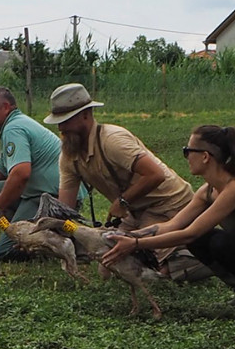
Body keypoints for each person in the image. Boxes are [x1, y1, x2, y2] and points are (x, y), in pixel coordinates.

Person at [103, 125, 235, 323]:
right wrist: (129, 236)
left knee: (221, 242)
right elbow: (173, 225)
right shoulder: (208, 191)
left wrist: (136, 245)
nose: (186, 156)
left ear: (205, 156)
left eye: (187, 151)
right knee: (205, 240)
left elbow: (190, 233)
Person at [43, 82, 207, 281]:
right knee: (109, 267)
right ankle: (177, 245)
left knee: (156, 272)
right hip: (134, 212)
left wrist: (122, 202)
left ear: (85, 115)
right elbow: (65, 207)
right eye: (58, 122)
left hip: (167, 203)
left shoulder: (113, 140)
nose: (61, 128)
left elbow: (155, 175)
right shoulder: (69, 155)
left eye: (66, 121)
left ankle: (203, 255)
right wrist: (54, 235)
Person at [0, 86, 81, 259]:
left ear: (5, 107)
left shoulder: (14, 129)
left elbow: (21, 174)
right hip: (34, 190)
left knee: (6, 251)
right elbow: (4, 168)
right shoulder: (15, 124)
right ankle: (17, 226)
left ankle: (60, 243)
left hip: (49, 198)